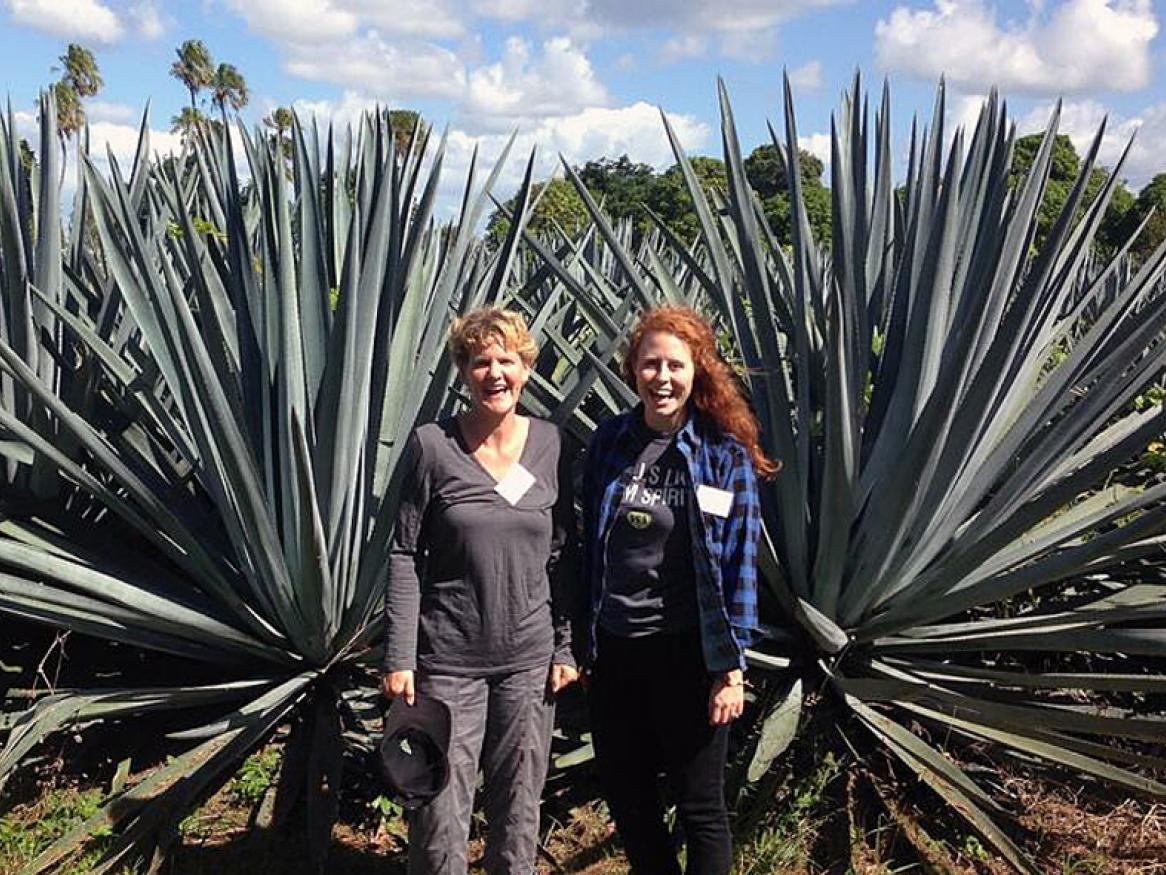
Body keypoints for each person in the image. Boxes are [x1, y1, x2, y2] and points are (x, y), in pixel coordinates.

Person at [381, 306, 580, 875]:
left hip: (527, 661)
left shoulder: (553, 445)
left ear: (527, 368)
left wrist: (565, 646)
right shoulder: (432, 446)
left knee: (519, 809)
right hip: (447, 662)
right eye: (481, 362)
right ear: (463, 372)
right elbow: (403, 552)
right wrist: (399, 656)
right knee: (440, 813)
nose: (496, 373)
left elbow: (565, 554)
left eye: (508, 360)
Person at [581, 305, 777, 875]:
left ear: (697, 372)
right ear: (632, 370)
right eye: (650, 365)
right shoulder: (610, 441)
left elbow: (741, 564)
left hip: (690, 652)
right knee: (629, 796)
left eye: (675, 366)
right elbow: (587, 547)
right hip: (616, 647)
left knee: (700, 807)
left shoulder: (723, 453)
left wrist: (731, 668)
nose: (662, 378)